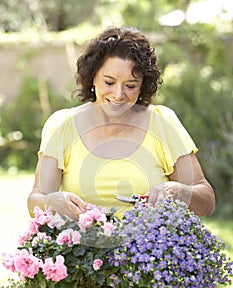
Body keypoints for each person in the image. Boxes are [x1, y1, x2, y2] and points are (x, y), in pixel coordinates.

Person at [27, 26, 215, 220]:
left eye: (131, 86)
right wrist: (50, 201)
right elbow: (35, 201)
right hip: (83, 247)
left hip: (150, 248)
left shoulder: (162, 122)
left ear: (143, 85)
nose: (118, 95)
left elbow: (207, 200)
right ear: (93, 77)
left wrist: (179, 191)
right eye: (109, 82)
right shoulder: (62, 125)